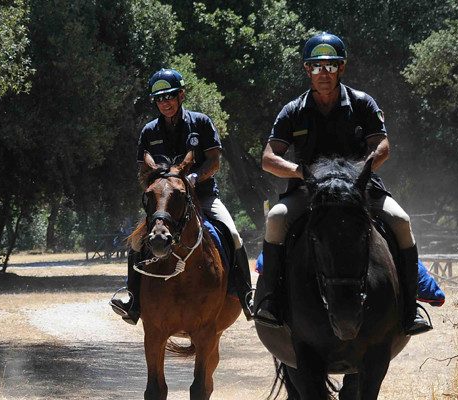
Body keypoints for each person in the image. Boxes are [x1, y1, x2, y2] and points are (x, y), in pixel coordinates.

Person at [254, 33, 432, 335]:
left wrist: (358, 173)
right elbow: (269, 158)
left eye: (331, 66)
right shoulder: (292, 110)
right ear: (307, 70)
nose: (324, 74)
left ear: (342, 69)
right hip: (309, 192)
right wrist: (301, 173)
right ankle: (270, 299)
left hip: (360, 191)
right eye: (317, 67)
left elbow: (382, 147)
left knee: (401, 221)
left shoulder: (363, 103)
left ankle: (409, 307)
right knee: (275, 218)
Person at [110, 68, 254, 324]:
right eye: (160, 99)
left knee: (232, 234)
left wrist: (195, 178)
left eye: (170, 96)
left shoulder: (201, 122)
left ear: (181, 95)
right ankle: (133, 301)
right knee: (136, 241)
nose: (165, 103)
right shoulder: (149, 132)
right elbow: (145, 166)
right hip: (165, 202)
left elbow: (214, 161)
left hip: (204, 196)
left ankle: (246, 295)